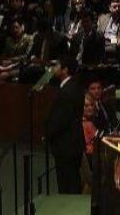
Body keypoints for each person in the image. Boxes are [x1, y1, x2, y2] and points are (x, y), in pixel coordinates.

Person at [44, 58, 85, 194]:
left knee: (68, 182)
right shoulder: (73, 86)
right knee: (70, 180)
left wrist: (48, 135)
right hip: (71, 142)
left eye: (57, 66)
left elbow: (61, 120)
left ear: (65, 69)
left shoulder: (68, 91)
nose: (53, 69)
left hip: (66, 143)